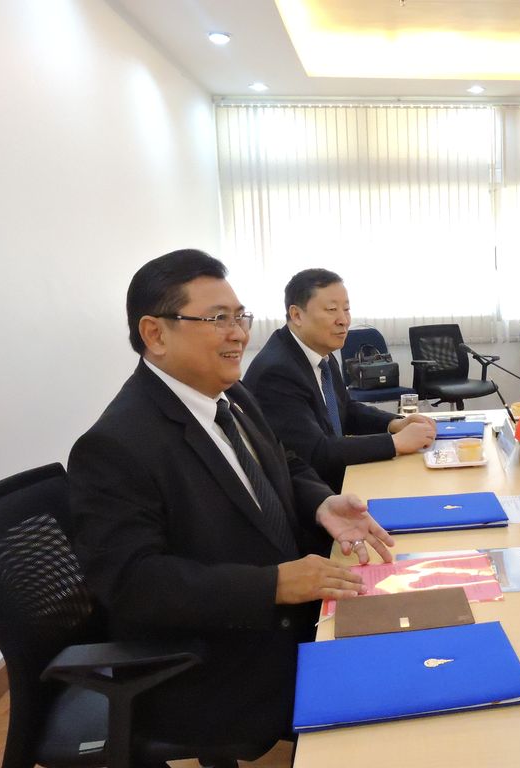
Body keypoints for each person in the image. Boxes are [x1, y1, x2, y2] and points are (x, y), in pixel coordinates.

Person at [68, 250, 394, 748]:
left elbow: (284, 460)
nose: (239, 334)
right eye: (217, 319)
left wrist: (320, 503)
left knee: (420, 627)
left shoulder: (232, 395)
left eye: (240, 317)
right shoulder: (116, 446)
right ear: (155, 334)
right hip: (217, 660)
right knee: (395, 702)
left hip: (287, 616)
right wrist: (274, 585)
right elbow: (135, 584)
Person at [243, 269, 436, 492]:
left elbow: (347, 409)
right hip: (311, 496)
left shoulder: (320, 352)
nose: (343, 321)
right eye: (332, 310)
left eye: (346, 309)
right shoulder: (277, 372)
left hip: (334, 477)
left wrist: (395, 423)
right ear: (296, 315)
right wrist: (396, 443)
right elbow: (316, 452)